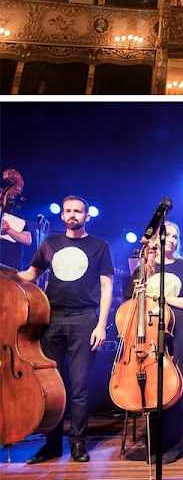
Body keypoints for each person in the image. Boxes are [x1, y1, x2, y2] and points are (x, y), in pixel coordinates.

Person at [17, 196, 113, 464]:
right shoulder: (50, 244)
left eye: (78, 211)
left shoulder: (99, 246)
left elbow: (106, 287)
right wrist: (6, 272)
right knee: (53, 386)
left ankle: (78, 444)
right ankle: (51, 445)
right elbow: (29, 275)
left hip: (84, 319)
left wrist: (101, 325)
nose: (73, 215)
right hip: (53, 319)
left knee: (80, 386)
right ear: (62, 215)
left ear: (86, 216)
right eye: (68, 210)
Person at [126, 221, 183, 463]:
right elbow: (130, 305)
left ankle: (175, 445)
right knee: (152, 383)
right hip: (148, 331)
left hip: (179, 326)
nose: (171, 240)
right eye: (166, 235)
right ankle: (153, 441)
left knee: (175, 383)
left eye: (175, 236)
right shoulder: (144, 267)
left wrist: (163, 298)